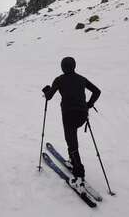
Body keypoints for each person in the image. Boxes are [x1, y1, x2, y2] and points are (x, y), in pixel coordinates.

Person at [42, 57, 101, 190]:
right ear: (74, 66)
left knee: (72, 143)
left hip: (68, 115)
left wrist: (46, 91)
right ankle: (73, 161)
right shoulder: (81, 79)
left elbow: (49, 96)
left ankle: (79, 176)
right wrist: (88, 105)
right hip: (82, 115)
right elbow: (97, 91)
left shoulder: (59, 79)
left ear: (63, 67)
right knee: (72, 141)